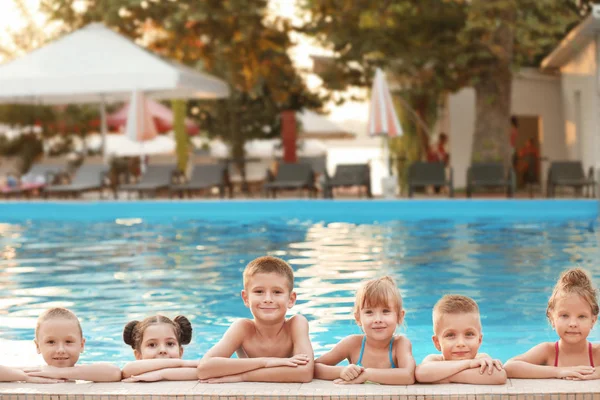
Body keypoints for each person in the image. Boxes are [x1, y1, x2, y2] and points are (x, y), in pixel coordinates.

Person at [197, 256, 313, 383]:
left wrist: (242, 376)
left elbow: (304, 373)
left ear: (291, 299)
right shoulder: (242, 328)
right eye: (259, 291)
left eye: (277, 292)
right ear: (246, 298)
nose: (268, 299)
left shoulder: (296, 324)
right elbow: (204, 369)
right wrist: (267, 362)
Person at [314, 276, 415, 385]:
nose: (378, 319)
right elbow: (314, 367)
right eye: (369, 312)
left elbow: (409, 376)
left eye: (385, 311)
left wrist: (368, 374)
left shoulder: (400, 344)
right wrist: (341, 371)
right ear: (358, 318)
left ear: (399, 316)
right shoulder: (352, 344)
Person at [504, 268, 599, 380]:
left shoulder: (596, 352)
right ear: (552, 319)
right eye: (564, 315)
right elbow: (509, 367)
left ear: (593, 321)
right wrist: (558, 371)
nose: (573, 324)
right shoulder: (548, 351)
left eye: (581, 316)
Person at [1, 307, 121, 382]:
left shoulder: (87, 372)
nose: (60, 350)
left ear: (82, 345)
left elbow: (115, 373)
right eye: (51, 342)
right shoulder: (35, 372)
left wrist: (58, 373)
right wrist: (25, 377)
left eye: (68, 342)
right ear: (38, 346)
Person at [415, 295, 506, 384]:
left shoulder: (482, 358)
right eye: (450, 335)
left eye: (469, 334)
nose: (460, 343)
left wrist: (443, 377)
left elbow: (499, 375)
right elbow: (421, 373)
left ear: (479, 340)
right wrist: (468, 364)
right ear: (437, 342)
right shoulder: (434, 359)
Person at [121, 315, 198, 382]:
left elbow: (203, 372)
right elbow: (127, 371)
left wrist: (161, 374)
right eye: (152, 345)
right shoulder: (134, 371)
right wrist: (183, 363)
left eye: (170, 344)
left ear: (180, 352)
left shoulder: (189, 371)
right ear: (138, 355)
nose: (162, 350)